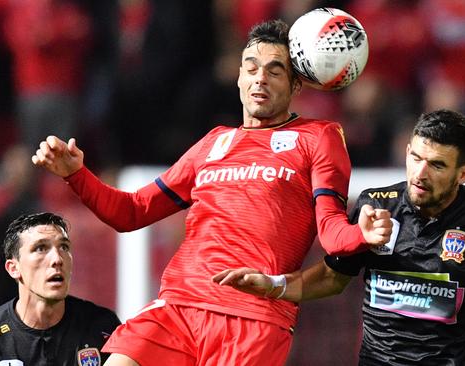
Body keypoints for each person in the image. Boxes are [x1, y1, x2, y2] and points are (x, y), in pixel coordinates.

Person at [31, 19, 392, 366]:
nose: (259, 79)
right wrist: (76, 174)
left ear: (296, 86)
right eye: (250, 68)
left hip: (252, 316)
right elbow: (132, 212)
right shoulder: (214, 142)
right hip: (178, 305)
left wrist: (361, 233)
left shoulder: (319, 137)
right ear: (238, 78)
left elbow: (331, 231)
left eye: (275, 70)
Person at [214, 108, 465, 366]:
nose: (420, 173)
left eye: (437, 166)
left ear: (463, 174)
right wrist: (274, 286)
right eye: (415, 158)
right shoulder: (377, 205)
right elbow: (333, 277)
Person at [0, 212, 121, 365]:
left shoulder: (103, 326)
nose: (57, 259)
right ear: (13, 268)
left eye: (64, 247)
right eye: (40, 248)